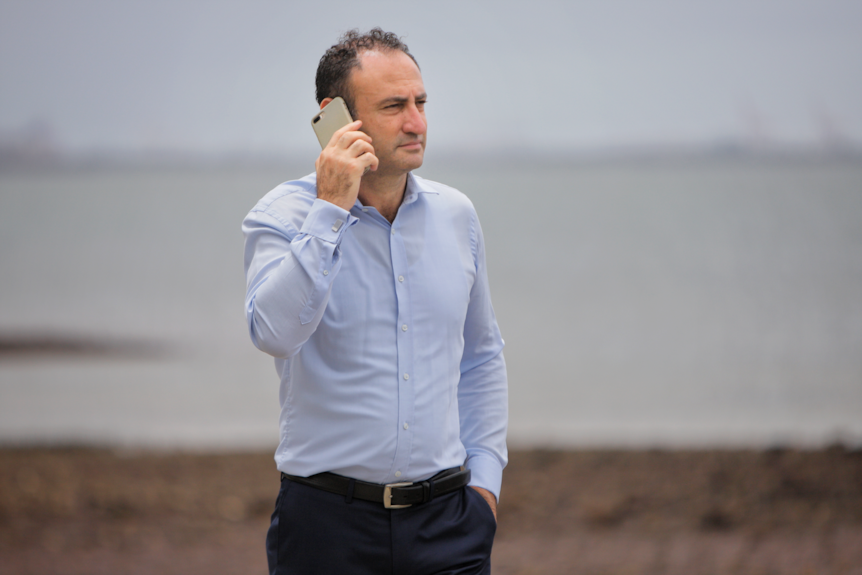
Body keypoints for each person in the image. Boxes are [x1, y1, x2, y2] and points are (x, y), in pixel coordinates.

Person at [242, 28, 508, 575]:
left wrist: (485, 487)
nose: (416, 122)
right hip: (325, 530)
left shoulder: (458, 216)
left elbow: (481, 356)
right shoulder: (282, 216)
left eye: (420, 103)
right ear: (335, 117)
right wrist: (330, 209)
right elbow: (273, 333)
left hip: (450, 526)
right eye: (394, 106)